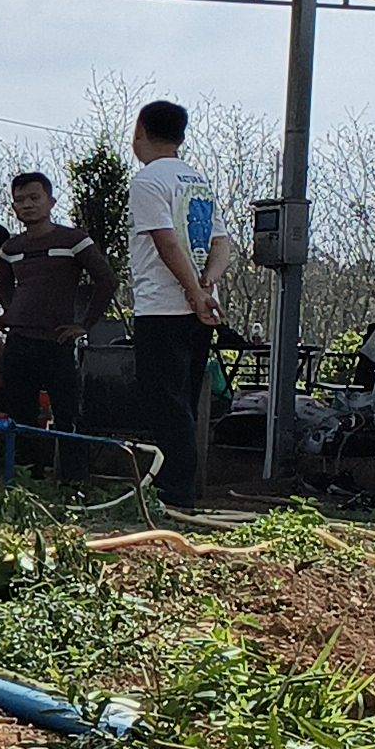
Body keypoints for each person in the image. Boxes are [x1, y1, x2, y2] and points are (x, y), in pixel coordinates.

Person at [123, 97, 223, 512]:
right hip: (202, 309)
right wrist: (208, 285)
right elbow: (221, 241)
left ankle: (175, 494)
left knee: (164, 402)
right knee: (183, 400)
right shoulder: (197, 180)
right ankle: (180, 488)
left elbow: (165, 241)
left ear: (140, 131)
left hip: (164, 306)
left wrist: (190, 289)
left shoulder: (147, 181)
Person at [0, 167, 106, 431]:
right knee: (19, 415)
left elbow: (107, 280)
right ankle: (26, 471)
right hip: (19, 343)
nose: (27, 205)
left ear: (51, 202)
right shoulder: (11, 247)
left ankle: (71, 472)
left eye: (34, 198)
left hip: (58, 340)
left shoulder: (73, 240)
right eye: (20, 200)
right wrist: (13, 313)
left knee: (67, 414)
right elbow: (4, 285)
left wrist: (85, 324)